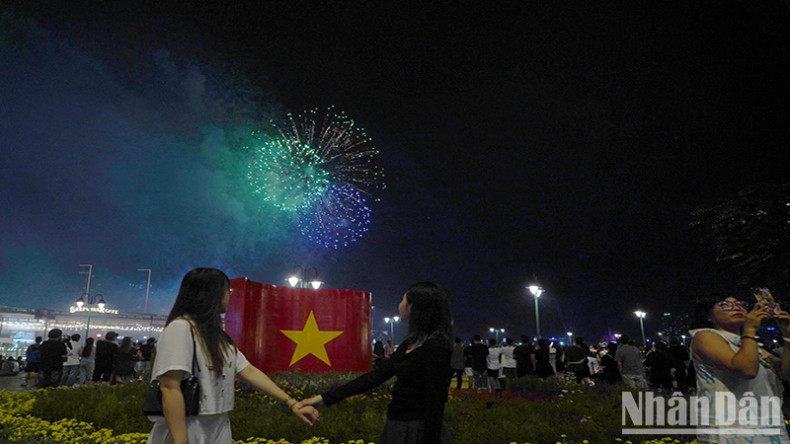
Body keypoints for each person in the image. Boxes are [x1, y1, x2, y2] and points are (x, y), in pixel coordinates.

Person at [146, 267, 317, 444]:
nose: (229, 295)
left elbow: (248, 371)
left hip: (218, 425)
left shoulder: (218, 337)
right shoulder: (181, 329)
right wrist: (180, 439)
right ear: (211, 294)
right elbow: (169, 387)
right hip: (189, 426)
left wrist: (290, 402)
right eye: (227, 291)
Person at [297, 281, 454, 444]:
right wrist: (323, 398)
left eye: (403, 300)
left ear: (413, 307)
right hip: (396, 428)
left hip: (418, 432)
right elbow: (372, 379)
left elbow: (435, 403)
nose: (399, 305)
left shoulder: (436, 347)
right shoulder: (409, 345)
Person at [689, 293, 790, 442]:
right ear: (708, 316)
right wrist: (750, 330)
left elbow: (784, 373)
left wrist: (787, 335)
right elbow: (747, 370)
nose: (735, 307)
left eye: (739, 304)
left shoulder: (752, 346)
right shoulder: (704, 336)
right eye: (725, 304)